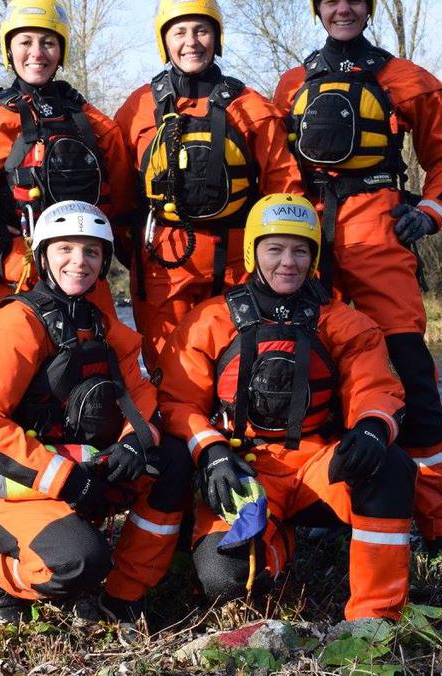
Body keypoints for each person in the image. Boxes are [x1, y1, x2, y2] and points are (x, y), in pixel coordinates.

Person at [271, 0, 442, 578]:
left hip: (378, 231)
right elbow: (275, 164)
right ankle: (332, 505)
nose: (342, 9)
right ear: (317, 7)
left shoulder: (404, 78)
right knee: (307, 369)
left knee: (410, 376)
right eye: (330, 0)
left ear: (369, 6)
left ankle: (441, 529)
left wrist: (431, 212)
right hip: (307, 234)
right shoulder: (292, 83)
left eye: (353, 0)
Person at [157, 193, 416, 621]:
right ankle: (277, 540)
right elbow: (177, 402)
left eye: (300, 250)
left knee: (390, 465)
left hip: (319, 468)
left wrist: (373, 426)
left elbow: (377, 388)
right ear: (252, 252)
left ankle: (374, 617)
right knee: (227, 580)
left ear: (314, 257)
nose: (288, 263)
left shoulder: (342, 322)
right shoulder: (210, 321)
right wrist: (211, 449)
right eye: (275, 249)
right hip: (244, 468)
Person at [0, 200, 191, 625]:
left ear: (102, 263)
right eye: (65, 249)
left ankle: (124, 593)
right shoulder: (9, 327)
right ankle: (0, 570)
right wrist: (65, 480)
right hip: (14, 486)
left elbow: (142, 398)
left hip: (84, 474)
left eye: (91, 252)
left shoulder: (108, 330)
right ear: (42, 256)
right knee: (80, 562)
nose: (78, 262)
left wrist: (134, 442)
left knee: (170, 459)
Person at [116, 0, 299, 373]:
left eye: (201, 30)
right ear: (164, 40)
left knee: (242, 369)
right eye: (179, 32)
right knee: (172, 373)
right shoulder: (136, 110)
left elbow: (285, 190)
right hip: (163, 266)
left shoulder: (251, 106)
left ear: (217, 38)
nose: (191, 42)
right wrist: (131, 252)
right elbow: (118, 194)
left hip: (239, 265)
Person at [0, 0, 135, 316]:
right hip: (16, 276)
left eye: (48, 42)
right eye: (25, 42)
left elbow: (123, 206)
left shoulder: (96, 125)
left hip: (84, 278)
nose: (37, 53)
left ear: (61, 51)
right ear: (9, 50)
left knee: (98, 362)